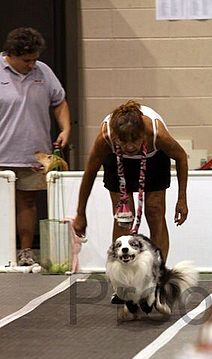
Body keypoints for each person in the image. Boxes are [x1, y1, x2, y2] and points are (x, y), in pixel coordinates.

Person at [73, 100, 189, 262]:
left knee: (154, 211)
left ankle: (158, 271)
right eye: (123, 141)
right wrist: (80, 213)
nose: (129, 147)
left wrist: (182, 198)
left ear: (143, 134)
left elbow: (181, 157)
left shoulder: (156, 134)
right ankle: (122, 274)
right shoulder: (105, 138)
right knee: (124, 218)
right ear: (115, 136)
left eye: (134, 140)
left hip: (153, 159)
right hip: (117, 160)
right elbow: (90, 173)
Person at [0, 27, 71, 265]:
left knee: (28, 203)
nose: (32, 65)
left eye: (35, 59)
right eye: (26, 60)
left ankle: (25, 252)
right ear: (11, 54)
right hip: (2, 153)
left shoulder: (44, 72)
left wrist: (65, 128)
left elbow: (59, 102)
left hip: (34, 154)